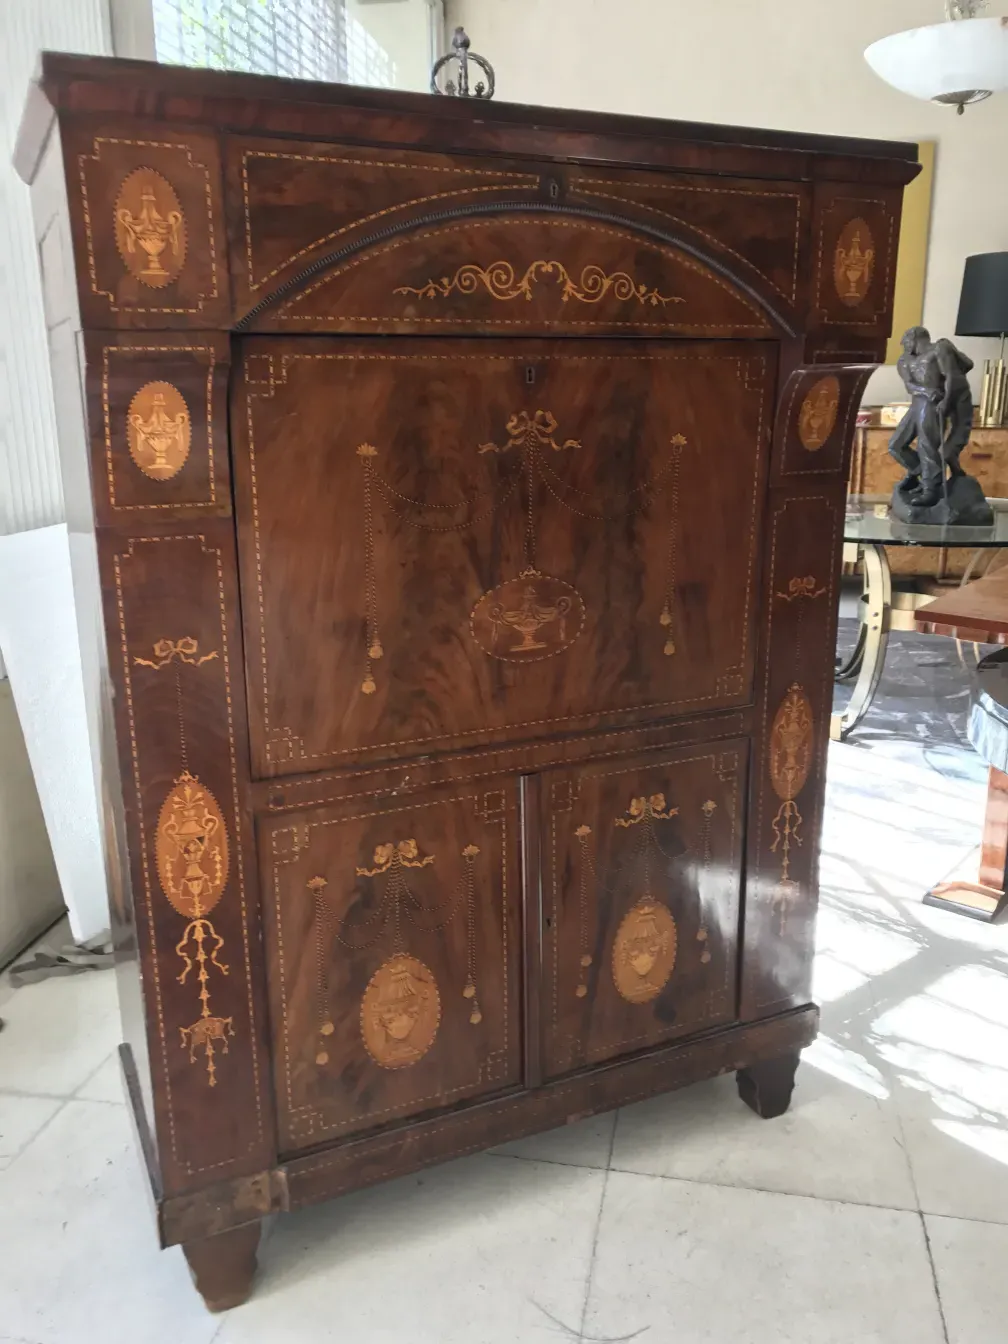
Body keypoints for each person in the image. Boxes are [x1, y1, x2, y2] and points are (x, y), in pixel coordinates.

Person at [888, 327, 974, 508]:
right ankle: (919, 473)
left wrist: (946, 402)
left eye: (906, 342)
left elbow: (951, 375)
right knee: (896, 445)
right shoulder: (904, 361)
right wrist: (926, 391)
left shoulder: (939, 349)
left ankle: (931, 490)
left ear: (915, 338)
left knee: (927, 445)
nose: (904, 347)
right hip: (919, 402)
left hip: (933, 405)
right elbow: (910, 385)